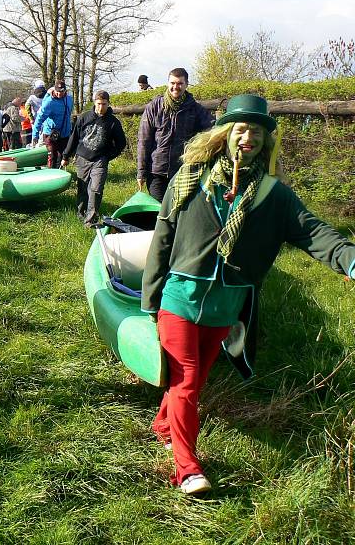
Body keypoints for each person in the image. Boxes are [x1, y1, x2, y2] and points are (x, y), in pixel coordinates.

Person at [141, 94, 355, 495]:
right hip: (181, 296)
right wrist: (151, 300)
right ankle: (187, 468)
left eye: (257, 132)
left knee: (194, 381)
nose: (249, 138)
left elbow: (314, 232)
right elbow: (162, 239)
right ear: (225, 135)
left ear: (265, 141)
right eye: (241, 129)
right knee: (185, 381)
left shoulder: (273, 194)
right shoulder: (189, 178)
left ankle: (163, 425)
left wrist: (350, 261)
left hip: (227, 304)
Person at [137, 68, 214, 202]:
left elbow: (212, 129)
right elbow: (144, 140)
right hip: (156, 171)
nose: (175, 87)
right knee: (159, 212)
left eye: (179, 83)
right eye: (172, 83)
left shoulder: (195, 109)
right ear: (168, 83)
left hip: (183, 171)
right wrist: (141, 172)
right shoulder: (154, 107)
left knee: (178, 211)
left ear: (186, 84)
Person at [61, 90, 126, 225]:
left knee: (96, 189)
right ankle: (81, 213)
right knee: (83, 188)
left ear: (108, 104)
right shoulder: (84, 117)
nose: (101, 107)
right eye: (98, 104)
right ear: (94, 103)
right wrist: (66, 155)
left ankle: (90, 220)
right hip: (82, 157)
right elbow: (74, 138)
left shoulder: (113, 122)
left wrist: (109, 156)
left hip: (100, 159)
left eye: (104, 104)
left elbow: (121, 143)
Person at [32, 79, 74, 168]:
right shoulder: (49, 102)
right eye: (57, 92)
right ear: (54, 90)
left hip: (64, 134)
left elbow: (69, 114)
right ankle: (50, 174)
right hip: (50, 134)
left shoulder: (69, 99)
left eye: (61, 92)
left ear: (65, 91)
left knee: (62, 157)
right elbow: (39, 118)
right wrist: (35, 135)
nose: (59, 94)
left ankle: (60, 175)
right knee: (52, 157)